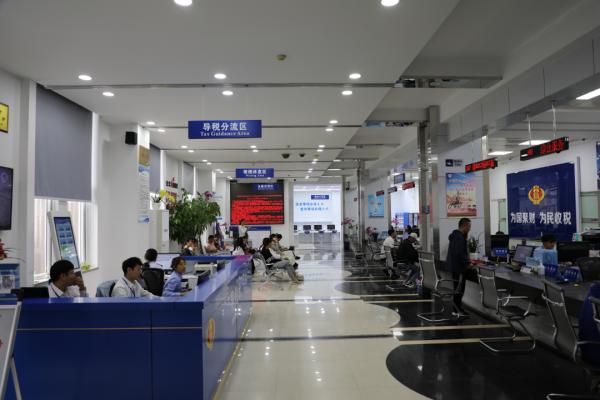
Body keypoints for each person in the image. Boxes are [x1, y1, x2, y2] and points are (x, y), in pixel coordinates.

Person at [446, 218, 472, 316]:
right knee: (459, 289)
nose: (469, 229)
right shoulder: (459, 237)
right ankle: (457, 310)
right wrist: (468, 263)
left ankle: (456, 309)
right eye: (469, 226)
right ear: (464, 226)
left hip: (455, 267)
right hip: (459, 268)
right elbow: (459, 253)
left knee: (457, 288)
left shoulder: (455, 235)